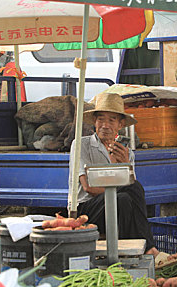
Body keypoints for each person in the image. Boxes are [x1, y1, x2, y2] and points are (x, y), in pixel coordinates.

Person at [68, 92, 160, 257]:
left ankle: (134, 251)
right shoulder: (82, 145)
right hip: (87, 209)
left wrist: (124, 164)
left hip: (117, 203)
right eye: (101, 119)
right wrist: (119, 186)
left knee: (125, 199)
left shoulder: (126, 152)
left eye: (111, 120)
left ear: (120, 124)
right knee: (124, 195)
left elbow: (133, 195)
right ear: (95, 122)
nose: (105, 125)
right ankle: (149, 246)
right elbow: (88, 187)